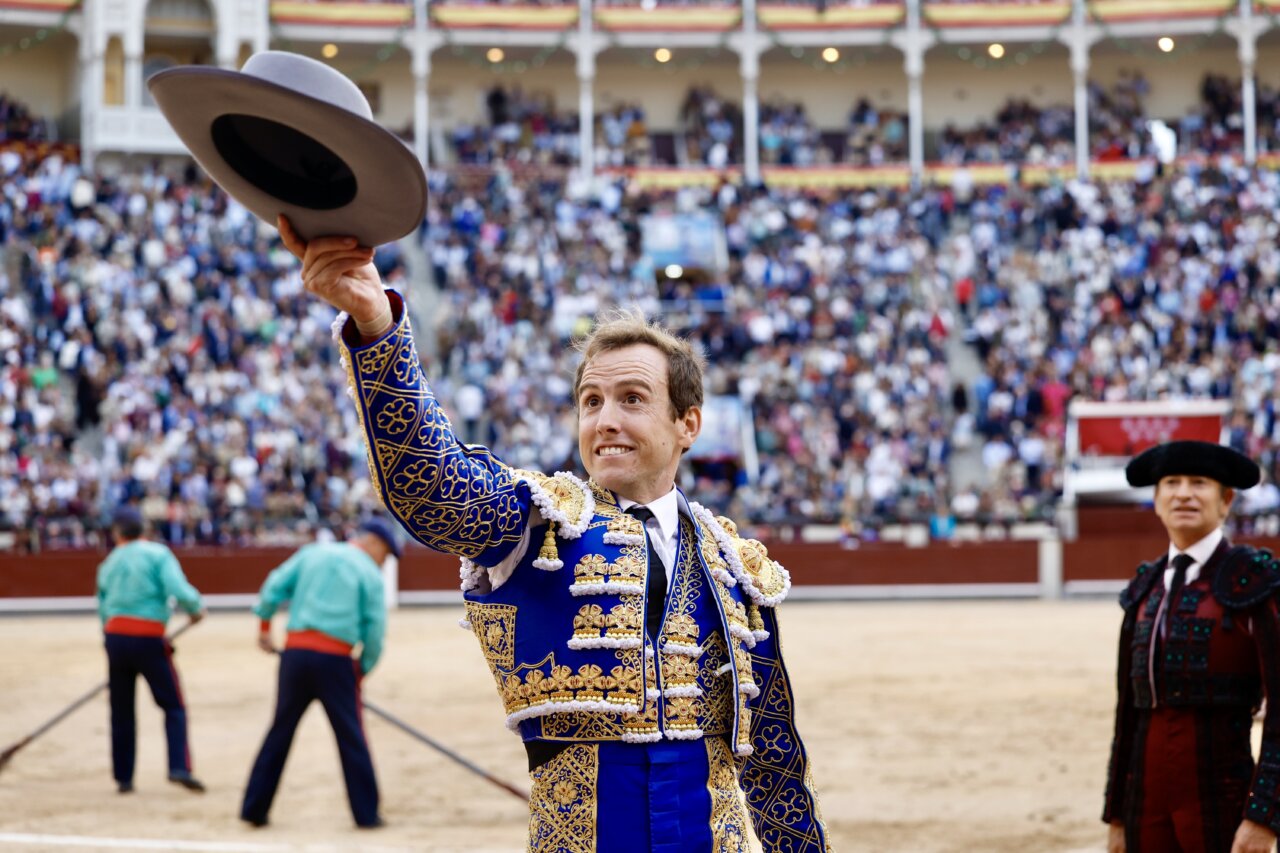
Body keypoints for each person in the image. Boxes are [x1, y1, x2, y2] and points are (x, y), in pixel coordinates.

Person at [279, 215, 830, 851]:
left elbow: (772, 762)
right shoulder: (540, 521)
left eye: (631, 399)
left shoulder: (733, 562)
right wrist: (377, 328)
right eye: (591, 402)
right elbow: (429, 485)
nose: (605, 421)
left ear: (688, 424)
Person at [1104, 440, 1280, 853]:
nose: (1184, 493)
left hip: (1224, 801)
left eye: (1199, 483)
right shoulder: (1144, 589)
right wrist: (1116, 814)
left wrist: (1264, 816)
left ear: (1226, 501)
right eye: (1172, 483)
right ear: (1157, 499)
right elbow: (1127, 713)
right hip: (1144, 806)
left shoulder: (1253, 583)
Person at [239, 517, 397, 830]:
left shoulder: (312, 553)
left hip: (295, 657)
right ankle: (366, 815)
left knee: (280, 731)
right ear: (374, 543)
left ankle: (254, 809)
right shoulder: (368, 572)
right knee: (351, 737)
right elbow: (375, 633)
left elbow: (272, 587)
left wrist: (264, 628)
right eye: (386, 554)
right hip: (336, 662)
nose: (384, 562)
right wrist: (359, 672)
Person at [95, 505, 206, 794]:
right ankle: (178, 766)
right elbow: (178, 590)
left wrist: (110, 642)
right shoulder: (158, 554)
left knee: (121, 710)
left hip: (116, 639)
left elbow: (104, 610)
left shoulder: (108, 563)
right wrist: (195, 608)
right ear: (143, 530)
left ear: (117, 533)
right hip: (148, 637)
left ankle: (123, 778)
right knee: (173, 706)